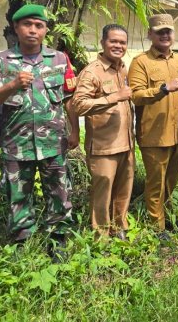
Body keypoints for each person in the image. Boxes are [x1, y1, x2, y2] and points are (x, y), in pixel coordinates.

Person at [0, 4, 79, 252]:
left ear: (45, 29)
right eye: (27, 25)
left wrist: (75, 131)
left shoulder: (59, 59)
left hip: (54, 142)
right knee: (19, 194)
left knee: (59, 191)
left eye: (39, 25)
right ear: (16, 27)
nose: (33, 30)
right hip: (16, 143)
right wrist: (12, 85)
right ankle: (22, 240)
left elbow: (69, 99)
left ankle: (58, 238)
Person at [128, 14, 178, 237]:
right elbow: (135, 96)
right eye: (160, 31)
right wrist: (162, 89)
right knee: (156, 182)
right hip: (154, 135)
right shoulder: (141, 62)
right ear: (150, 34)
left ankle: (165, 214)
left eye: (168, 31)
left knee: (171, 180)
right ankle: (157, 227)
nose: (165, 35)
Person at [71, 24, 134, 239]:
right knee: (102, 194)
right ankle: (100, 236)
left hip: (126, 143)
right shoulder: (92, 71)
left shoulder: (123, 68)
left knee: (123, 190)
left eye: (122, 42)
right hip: (103, 146)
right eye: (113, 41)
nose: (118, 46)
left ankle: (120, 228)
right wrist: (113, 97)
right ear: (103, 42)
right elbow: (78, 105)